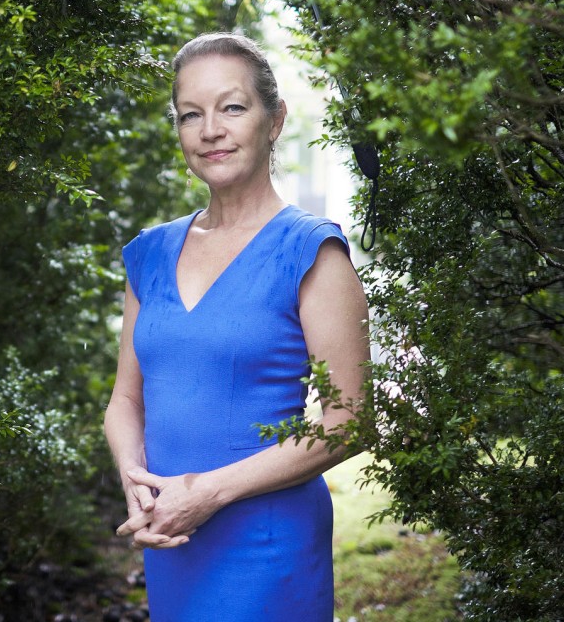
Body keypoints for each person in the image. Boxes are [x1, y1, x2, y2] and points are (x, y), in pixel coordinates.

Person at [103, 32, 371, 621]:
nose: (210, 131)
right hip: (173, 538)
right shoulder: (148, 254)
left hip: (268, 545)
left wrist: (207, 494)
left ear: (273, 121)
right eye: (190, 115)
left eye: (232, 107)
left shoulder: (311, 252)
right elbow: (125, 399)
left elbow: (349, 423)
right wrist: (136, 481)